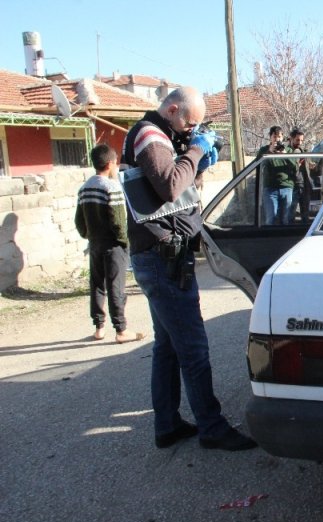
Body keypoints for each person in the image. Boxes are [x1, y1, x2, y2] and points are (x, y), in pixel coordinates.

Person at [122, 86, 256, 452]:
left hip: (160, 256)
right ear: (174, 109)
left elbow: (179, 190)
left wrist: (196, 158)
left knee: (167, 346)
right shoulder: (150, 136)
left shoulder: (162, 136)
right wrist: (195, 151)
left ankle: (166, 424)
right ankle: (211, 427)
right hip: (162, 259)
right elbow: (169, 186)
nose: (190, 131)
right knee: (193, 348)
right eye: (189, 123)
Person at [75, 144, 146, 344]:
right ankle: (121, 329)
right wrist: (124, 241)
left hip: (95, 243)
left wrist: (88, 235)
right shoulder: (112, 187)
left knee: (97, 284)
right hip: (113, 245)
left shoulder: (85, 187)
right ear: (110, 164)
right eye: (115, 163)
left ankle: (99, 327)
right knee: (116, 286)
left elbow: (79, 221)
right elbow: (117, 220)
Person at [259, 126, 297, 225]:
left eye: (279, 137)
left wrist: (285, 155)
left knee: (285, 219)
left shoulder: (288, 150)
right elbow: (259, 165)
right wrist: (269, 152)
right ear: (270, 137)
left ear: (282, 137)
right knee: (271, 218)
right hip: (270, 188)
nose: (277, 139)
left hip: (287, 187)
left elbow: (295, 167)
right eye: (275, 136)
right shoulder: (264, 150)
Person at [287, 128, 312, 223]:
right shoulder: (287, 152)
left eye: (301, 140)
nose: (300, 142)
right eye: (297, 140)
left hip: (304, 185)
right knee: (291, 213)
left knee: (305, 214)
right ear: (291, 139)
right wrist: (297, 165)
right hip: (293, 185)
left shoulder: (303, 151)